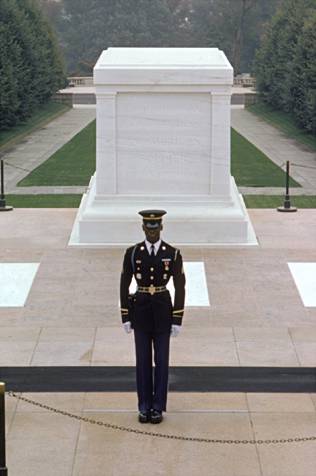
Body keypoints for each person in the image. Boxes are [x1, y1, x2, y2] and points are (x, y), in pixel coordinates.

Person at [120, 209, 185, 424]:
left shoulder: (172, 253)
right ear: (143, 229)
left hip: (163, 311)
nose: (152, 232)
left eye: (155, 228)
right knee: (143, 362)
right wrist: (125, 315)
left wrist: (177, 318)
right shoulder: (133, 253)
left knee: (162, 361)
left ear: (161, 228)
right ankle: (144, 405)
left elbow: (180, 287)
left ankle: (158, 407)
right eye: (149, 229)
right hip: (140, 311)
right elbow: (123, 284)